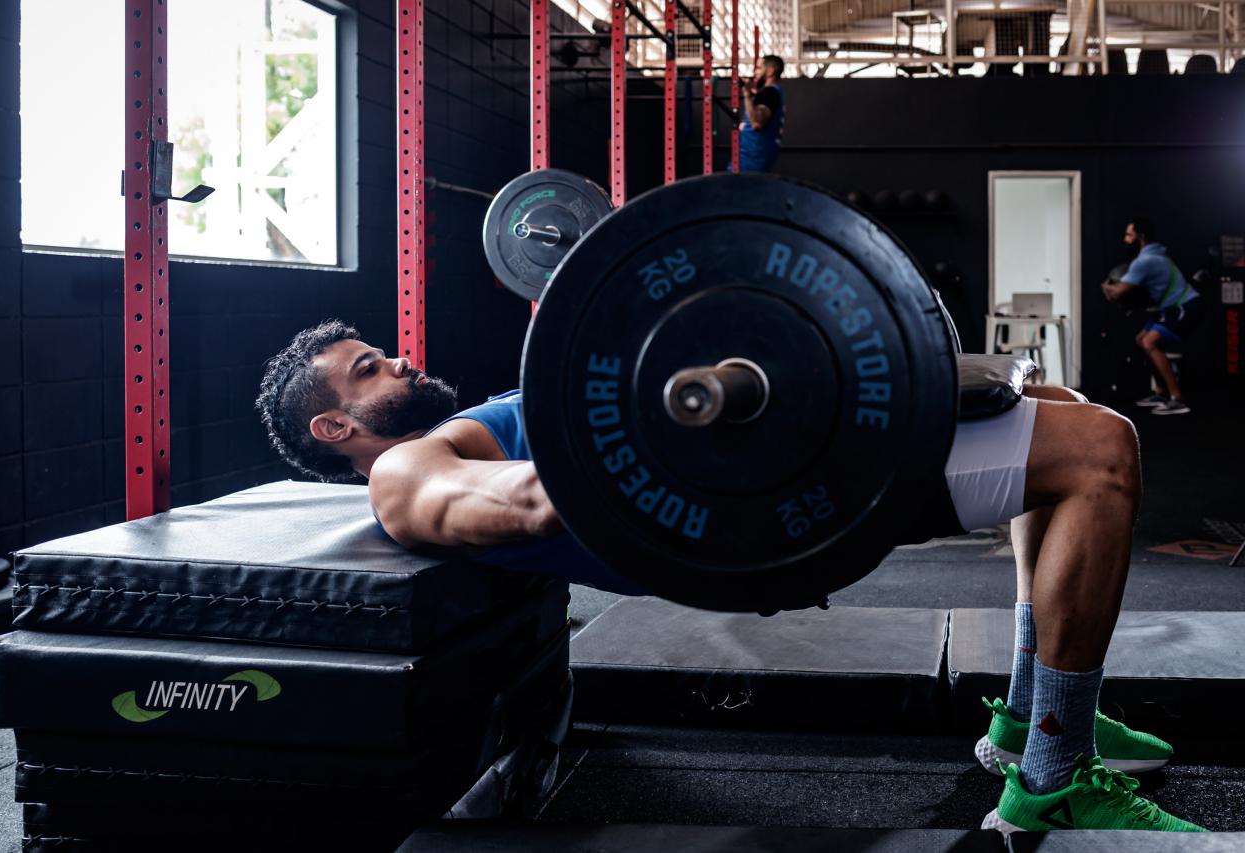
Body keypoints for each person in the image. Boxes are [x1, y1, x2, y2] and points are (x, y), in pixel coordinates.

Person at [256, 320, 1204, 835]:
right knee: (1101, 453)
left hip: (769, 446)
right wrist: (688, 411)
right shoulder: (403, 473)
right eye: (368, 369)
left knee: (1056, 404)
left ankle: (1031, 713)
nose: (400, 360)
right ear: (335, 429)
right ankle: (1050, 773)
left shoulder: (468, 425)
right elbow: (552, 499)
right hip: (771, 505)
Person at [1101, 218, 1203, 415]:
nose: (1125, 239)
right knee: (1142, 339)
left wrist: (1105, 286)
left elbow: (1118, 293)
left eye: (1129, 235)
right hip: (1171, 308)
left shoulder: (1145, 261)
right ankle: (1161, 392)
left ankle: (1177, 398)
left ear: (1141, 237)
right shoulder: (1156, 255)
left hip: (1185, 306)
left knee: (1149, 342)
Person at [737, 55, 786, 173]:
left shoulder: (770, 93)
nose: (755, 71)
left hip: (752, 160)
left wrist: (747, 95)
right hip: (751, 158)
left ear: (770, 71)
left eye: (759, 68)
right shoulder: (767, 94)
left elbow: (756, 122)